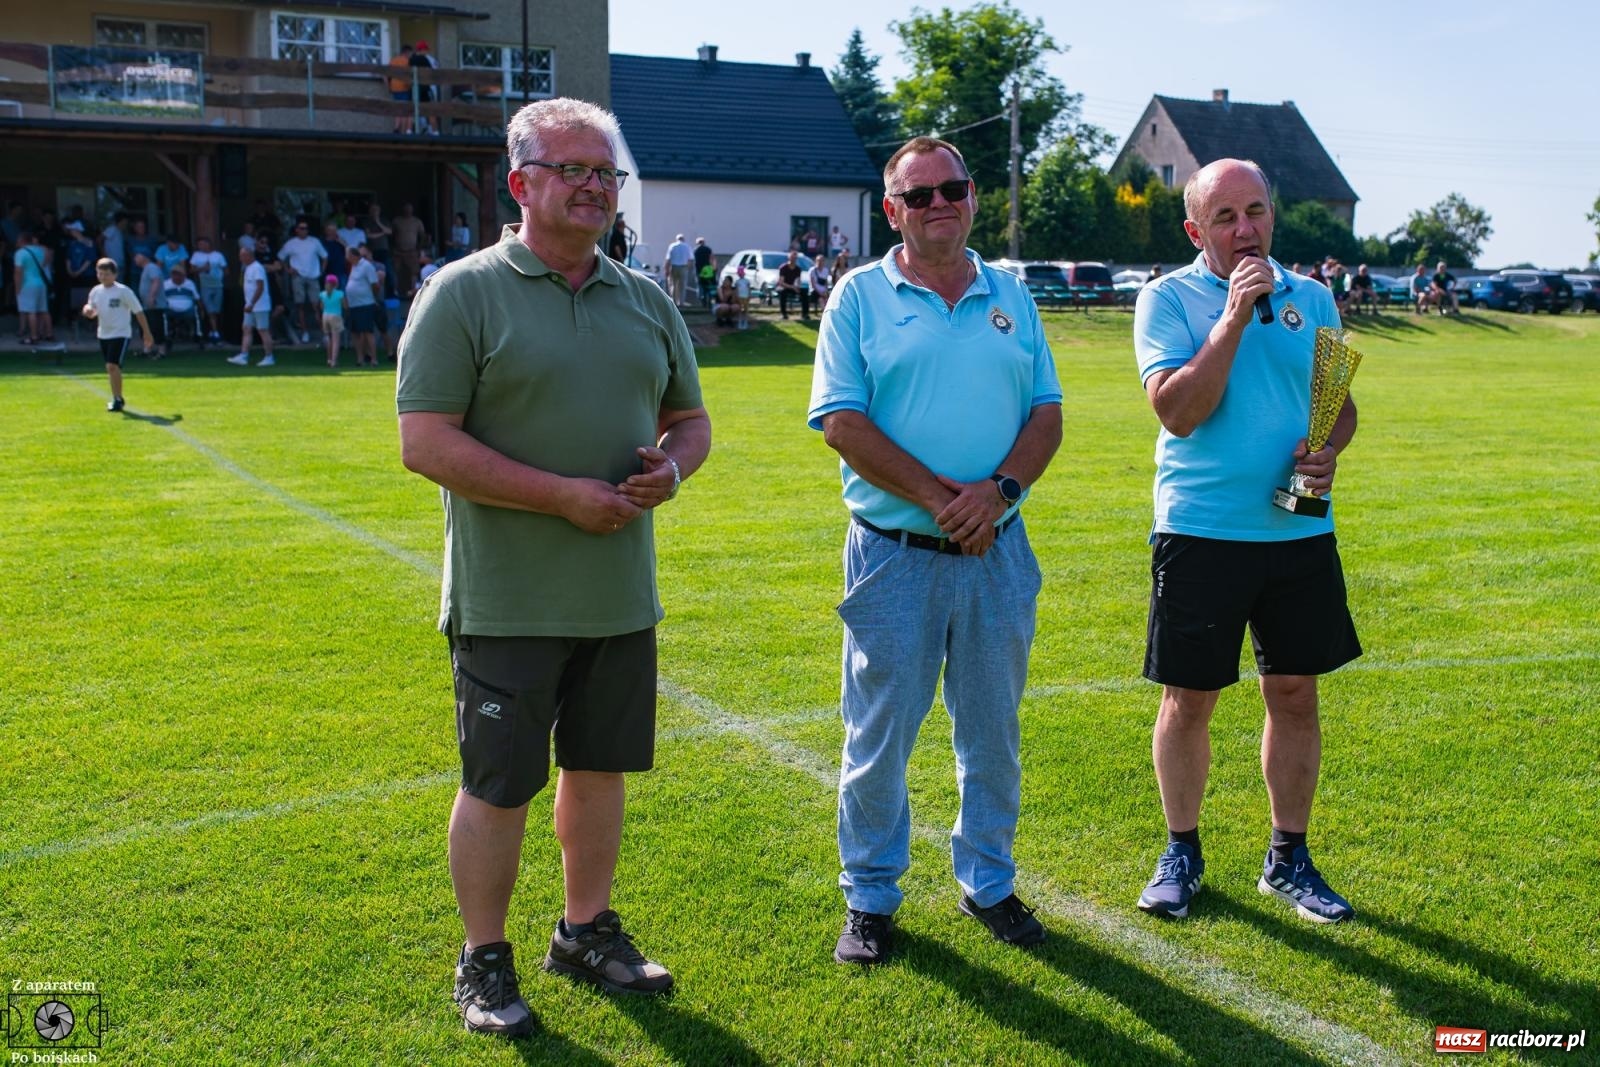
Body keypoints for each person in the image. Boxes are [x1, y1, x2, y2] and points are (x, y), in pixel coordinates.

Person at [396, 96, 710, 1038]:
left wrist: (671, 470)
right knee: (500, 783)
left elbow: (688, 422)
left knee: (600, 767)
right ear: (519, 181)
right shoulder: (463, 292)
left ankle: (583, 931)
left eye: (604, 173)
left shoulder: (643, 297)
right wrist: (559, 495)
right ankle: (482, 959)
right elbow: (424, 442)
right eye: (571, 169)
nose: (591, 186)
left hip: (618, 594)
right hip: (508, 599)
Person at [807, 135, 1063, 966]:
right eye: (918, 195)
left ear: (974, 197)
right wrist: (945, 502)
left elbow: (1046, 415)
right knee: (878, 735)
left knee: (992, 731)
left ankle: (988, 881)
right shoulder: (857, 297)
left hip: (1000, 548)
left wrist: (1000, 494)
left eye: (952, 187)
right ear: (893, 211)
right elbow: (842, 422)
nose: (938, 203)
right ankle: (872, 897)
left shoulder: (1011, 295)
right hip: (895, 553)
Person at [1131, 158, 1361, 925]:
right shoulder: (1167, 299)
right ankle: (1181, 852)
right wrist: (1231, 317)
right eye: (1225, 217)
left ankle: (1288, 857)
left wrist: (1329, 447)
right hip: (1201, 530)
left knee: (1295, 692)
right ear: (1197, 230)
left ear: (1273, 216)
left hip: (1297, 527)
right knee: (1188, 697)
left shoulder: (1315, 296)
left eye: (1256, 211)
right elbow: (1178, 410)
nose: (1245, 229)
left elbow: (1340, 405)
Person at [82, 258, 155, 413]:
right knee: (110, 368)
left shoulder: (124, 291)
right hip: (103, 333)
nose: (103, 277)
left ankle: (117, 399)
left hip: (120, 333)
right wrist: (87, 310)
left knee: (112, 365)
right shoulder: (96, 291)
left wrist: (147, 333)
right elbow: (92, 309)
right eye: (100, 274)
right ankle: (117, 397)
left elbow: (139, 312)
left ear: (115, 274)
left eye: (107, 274)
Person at [280, 219, 328, 343]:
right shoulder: (291, 243)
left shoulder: (315, 242)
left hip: (313, 277)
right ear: (296, 230)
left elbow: (325, 256)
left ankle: (324, 333)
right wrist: (288, 269)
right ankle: (305, 332)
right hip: (298, 277)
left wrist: (321, 271)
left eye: (306, 228)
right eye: (301, 228)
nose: (304, 230)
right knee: (299, 305)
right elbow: (281, 257)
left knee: (316, 305)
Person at [228, 244, 275, 367]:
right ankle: (244, 355)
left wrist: (252, 303)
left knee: (262, 330)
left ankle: (269, 357)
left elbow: (260, 287)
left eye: (242, 255)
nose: (240, 258)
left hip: (260, 306)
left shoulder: (257, 268)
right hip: (250, 306)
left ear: (248, 255)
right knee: (247, 329)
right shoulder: (248, 268)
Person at [13, 232, 55, 345]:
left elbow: (18, 272)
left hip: (27, 284)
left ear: (22, 241)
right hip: (41, 283)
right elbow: (45, 263)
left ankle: (34, 336)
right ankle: (49, 334)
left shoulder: (20, 253)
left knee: (31, 311)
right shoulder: (39, 251)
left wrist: (17, 288)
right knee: (44, 310)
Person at [343, 245, 381, 367]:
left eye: (347, 255)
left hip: (365, 304)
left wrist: (373, 297)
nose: (346, 258)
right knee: (355, 332)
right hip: (354, 305)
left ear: (353, 256)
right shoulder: (353, 267)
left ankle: (374, 359)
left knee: (367, 332)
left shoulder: (366, 266)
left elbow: (375, 284)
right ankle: (360, 359)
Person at [190, 236, 228, 342]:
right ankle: (215, 332)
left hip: (218, 285)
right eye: (199, 244)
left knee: (217, 309)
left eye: (203, 244)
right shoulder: (196, 255)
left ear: (208, 244)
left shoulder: (218, 255)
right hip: (205, 285)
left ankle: (214, 330)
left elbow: (225, 269)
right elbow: (192, 270)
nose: (201, 246)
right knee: (209, 309)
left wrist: (220, 277)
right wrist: (203, 269)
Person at [390, 202, 427, 297]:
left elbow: (422, 236)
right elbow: (391, 235)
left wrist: (419, 248)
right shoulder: (396, 221)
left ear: (412, 210)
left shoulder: (417, 221)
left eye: (409, 209)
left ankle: (413, 293)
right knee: (396, 271)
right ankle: (396, 292)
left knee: (414, 272)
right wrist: (393, 248)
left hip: (412, 251)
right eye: (406, 209)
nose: (408, 211)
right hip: (398, 251)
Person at [136, 250, 168, 358]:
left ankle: (161, 351)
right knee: (146, 327)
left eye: (137, 256)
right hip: (147, 305)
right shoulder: (146, 269)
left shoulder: (151, 267)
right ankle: (147, 350)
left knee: (156, 327)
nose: (135, 259)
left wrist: (152, 296)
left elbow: (156, 281)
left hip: (155, 304)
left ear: (145, 257)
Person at [161, 264, 202, 346]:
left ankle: (198, 336)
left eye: (179, 274)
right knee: (163, 315)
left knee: (197, 313)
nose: (176, 276)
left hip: (188, 310)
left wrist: (201, 309)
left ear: (183, 275)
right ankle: (166, 337)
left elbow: (197, 298)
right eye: (174, 274)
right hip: (171, 310)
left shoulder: (190, 284)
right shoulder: (165, 284)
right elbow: (161, 299)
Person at [776, 250, 811, 320]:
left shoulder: (798, 269)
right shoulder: (783, 268)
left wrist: (797, 287)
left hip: (793, 288)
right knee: (783, 294)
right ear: (789, 258)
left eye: (795, 258)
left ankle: (805, 314)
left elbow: (798, 280)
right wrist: (793, 287)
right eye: (792, 257)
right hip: (784, 287)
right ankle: (784, 314)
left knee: (804, 293)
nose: (793, 259)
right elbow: (781, 282)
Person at [319, 274, 345, 367]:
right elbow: (344, 305)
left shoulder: (322, 294)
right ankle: (334, 360)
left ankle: (329, 359)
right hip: (335, 315)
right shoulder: (339, 294)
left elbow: (321, 307)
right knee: (336, 340)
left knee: (328, 338)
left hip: (325, 315)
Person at [389, 43, 415, 133]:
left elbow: (385, 74)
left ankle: (396, 128)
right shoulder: (407, 61)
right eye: (411, 53)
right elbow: (409, 76)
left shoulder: (393, 60)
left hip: (394, 87)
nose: (411, 55)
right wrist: (410, 85)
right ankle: (403, 132)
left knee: (398, 109)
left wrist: (388, 86)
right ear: (407, 53)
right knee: (404, 110)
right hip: (404, 88)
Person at [665, 233, 693, 307]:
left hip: (674, 267)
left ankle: (674, 301)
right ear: (683, 239)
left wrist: (666, 269)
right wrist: (688, 268)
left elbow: (668, 259)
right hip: (683, 267)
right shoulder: (687, 246)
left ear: (676, 239)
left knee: (673, 284)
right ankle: (681, 302)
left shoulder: (672, 246)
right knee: (682, 286)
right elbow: (690, 259)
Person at [733, 264, 751, 330]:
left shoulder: (747, 281)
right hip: (740, 297)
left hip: (746, 297)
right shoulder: (737, 282)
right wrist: (737, 296)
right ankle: (740, 322)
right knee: (740, 309)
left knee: (746, 310)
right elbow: (737, 289)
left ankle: (745, 322)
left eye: (742, 273)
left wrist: (749, 295)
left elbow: (749, 289)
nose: (741, 275)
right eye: (739, 273)